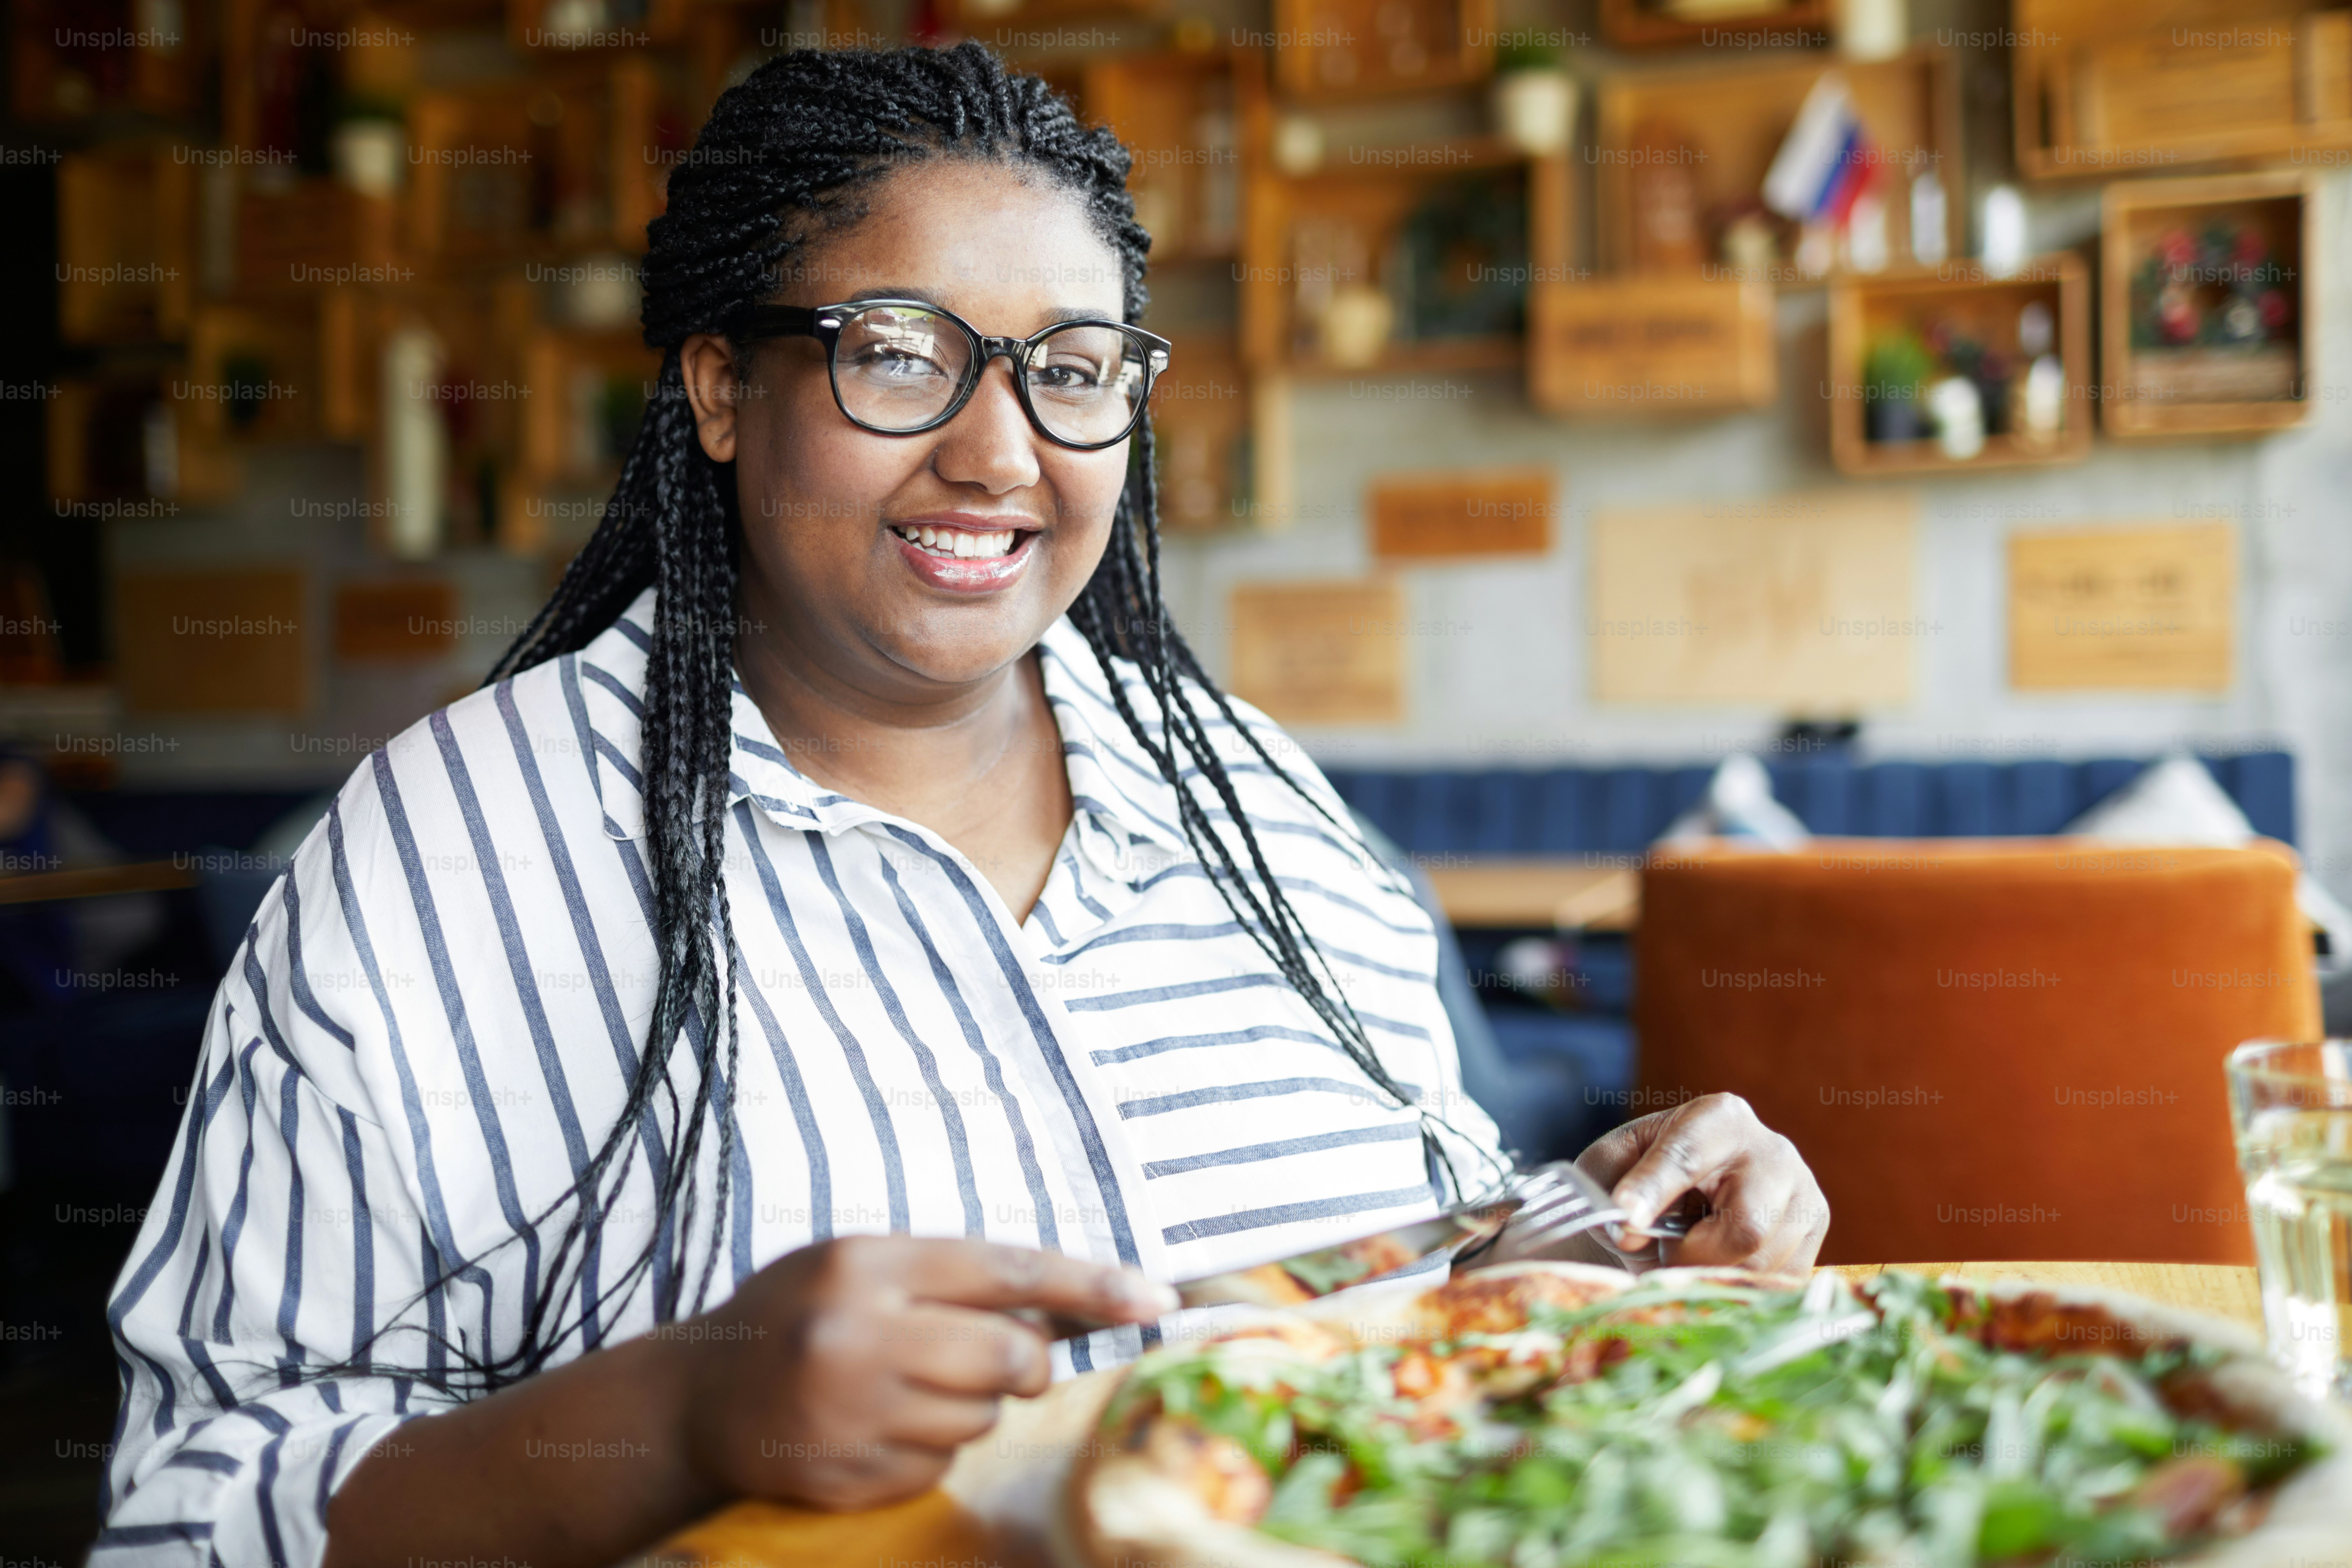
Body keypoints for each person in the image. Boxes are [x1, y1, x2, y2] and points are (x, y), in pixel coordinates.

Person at [98, 45, 1829, 1568]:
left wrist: (1604, 1231)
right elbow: (190, 1510)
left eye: (1072, 370)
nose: (1002, 451)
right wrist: (679, 1417)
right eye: (900, 352)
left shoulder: (1249, 800)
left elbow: (1398, 1298)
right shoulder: (448, 854)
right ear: (719, 389)